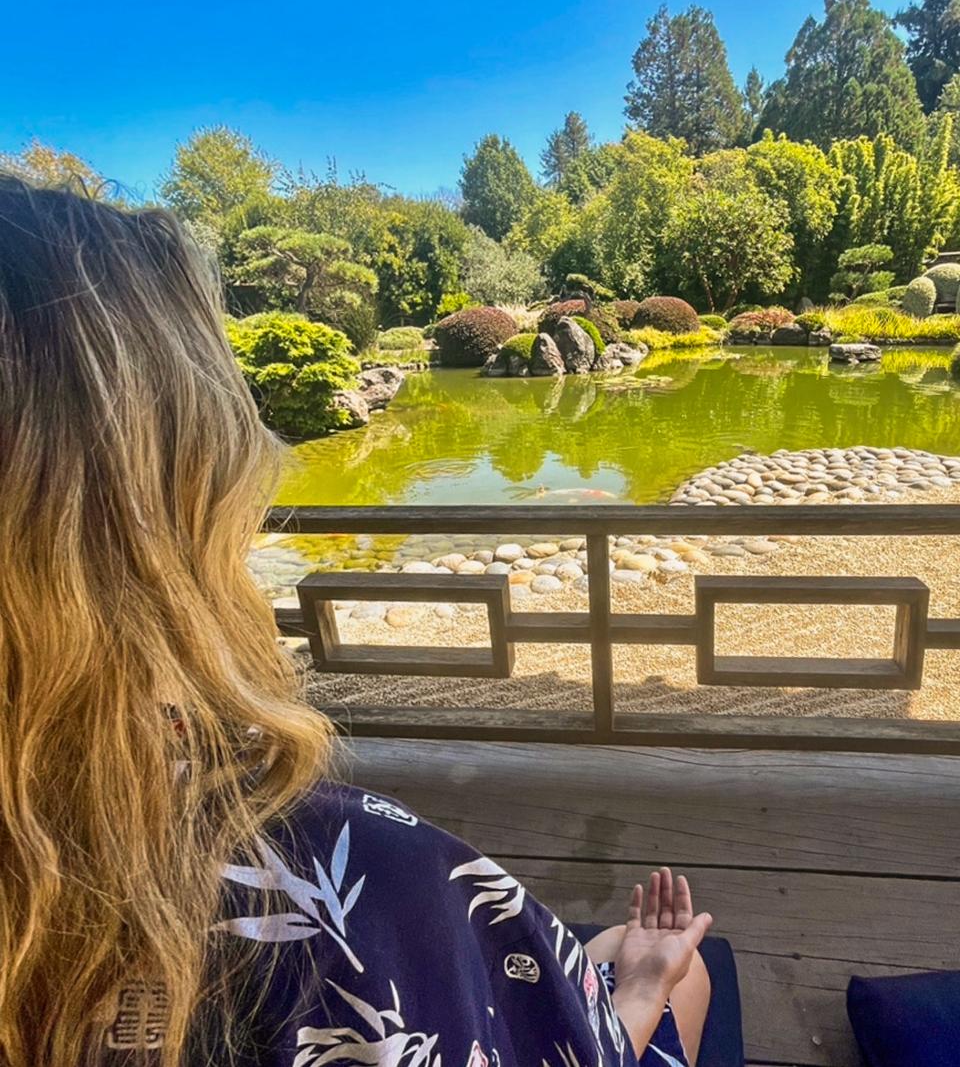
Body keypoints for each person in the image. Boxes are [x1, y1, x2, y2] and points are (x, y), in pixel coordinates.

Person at [0, 176, 712, 1067]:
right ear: (172, 514)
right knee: (678, 974)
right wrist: (638, 991)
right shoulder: (350, 883)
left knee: (592, 949)